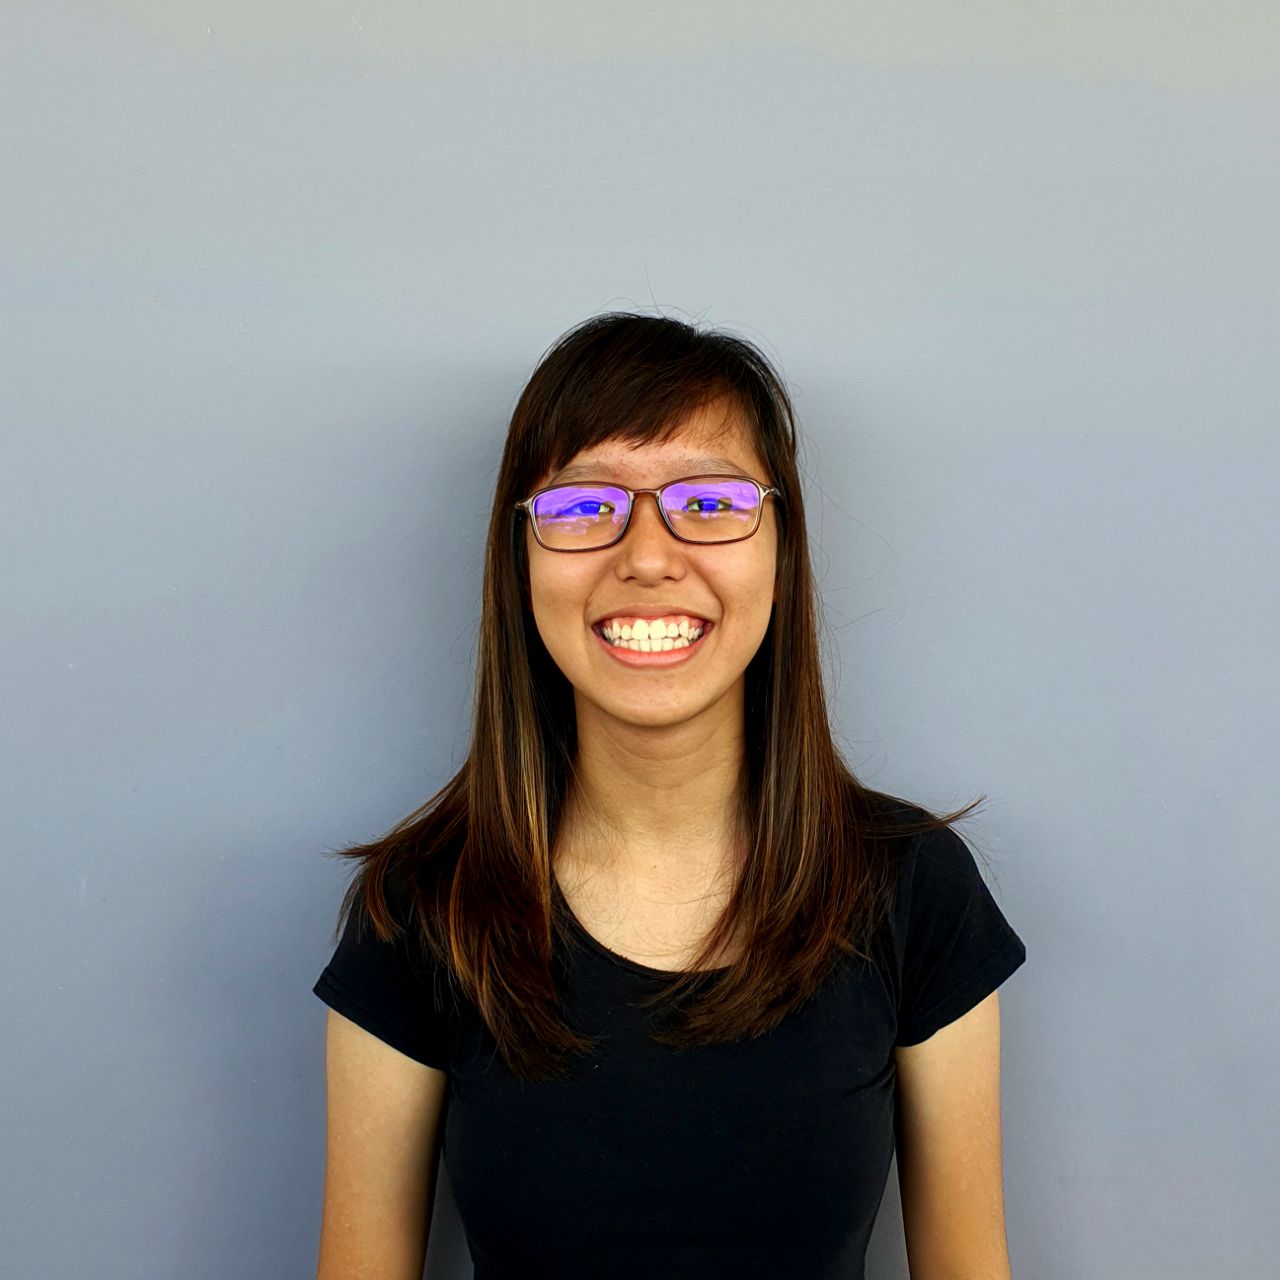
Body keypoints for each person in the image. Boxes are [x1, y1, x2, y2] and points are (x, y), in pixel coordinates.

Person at [311, 311, 1028, 1280]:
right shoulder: (419, 907)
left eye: (708, 499)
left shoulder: (912, 889)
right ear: (518, 559)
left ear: (780, 547)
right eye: (580, 507)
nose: (646, 555)